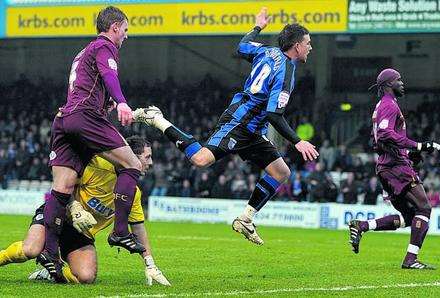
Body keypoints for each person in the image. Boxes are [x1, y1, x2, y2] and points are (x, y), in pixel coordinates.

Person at [133, 7, 318, 245]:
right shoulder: (287, 70)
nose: (310, 47)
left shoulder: (268, 51)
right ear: (296, 46)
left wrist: (257, 27)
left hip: (252, 130)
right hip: (240, 122)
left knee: (281, 172)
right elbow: (274, 113)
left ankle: (246, 219)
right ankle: (156, 119)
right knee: (200, 160)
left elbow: (242, 47)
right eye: (308, 43)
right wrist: (297, 140)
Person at [42, 6, 145, 281]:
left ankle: (50, 251)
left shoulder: (82, 52)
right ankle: (120, 231)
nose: (125, 36)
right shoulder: (105, 46)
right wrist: (121, 102)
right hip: (84, 118)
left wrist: (105, 101)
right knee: (132, 165)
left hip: (64, 119)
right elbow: (110, 75)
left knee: (61, 188)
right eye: (125, 30)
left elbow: (85, 86)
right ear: (114, 28)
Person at [0, 136, 170, 286]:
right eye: (147, 157)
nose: (150, 163)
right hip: (59, 213)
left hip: (81, 233)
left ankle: (50, 271)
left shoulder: (133, 193)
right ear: (131, 156)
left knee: (85, 277)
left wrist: (150, 264)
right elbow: (64, 184)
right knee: (30, 250)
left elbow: (138, 229)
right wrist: (75, 207)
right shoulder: (98, 165)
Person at [348, 68, 440, 269]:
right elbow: (384, 135)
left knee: (410, 216)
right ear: (389, 83)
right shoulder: (389, 105)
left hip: (387, 166)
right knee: (424, 208)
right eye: (399, 80)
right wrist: (418, 146)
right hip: (394, 167)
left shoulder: (383, 105)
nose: (402, 83)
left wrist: (410, 155)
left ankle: (362, 226)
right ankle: (410, 260)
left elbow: (378, 140)